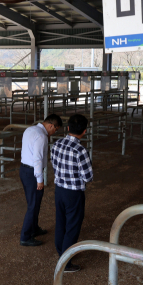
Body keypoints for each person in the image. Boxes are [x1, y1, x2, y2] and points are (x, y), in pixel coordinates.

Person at [50, 114, 93, 273]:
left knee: (61, 221)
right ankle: (65, 262)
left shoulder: (56, 144)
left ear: (68, 128)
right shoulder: (80, 150)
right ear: (84, 131)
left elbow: (54, 164)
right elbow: (88, 176)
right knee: (73, 226)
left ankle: (60, 250)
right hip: (74, 193)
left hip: (59, 190)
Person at [19, 114, 63, 246]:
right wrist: (40, 179)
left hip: (24, 169)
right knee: (33, 205)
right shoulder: (42, 136)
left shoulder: (30, 129)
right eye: (55, 130)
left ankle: (34, 228)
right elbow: (37, 159)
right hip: (33, 172)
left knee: (33, 203)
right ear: (51, 125)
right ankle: (25, 237)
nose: (54, 132)